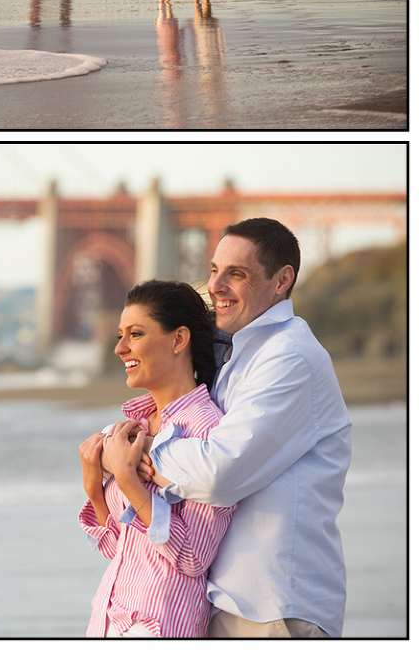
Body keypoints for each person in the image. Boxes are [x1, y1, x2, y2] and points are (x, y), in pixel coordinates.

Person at [138, 218, 351, 637]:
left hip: (277, 607)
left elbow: (220, 473)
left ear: (281, 280)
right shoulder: (232, 354)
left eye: (236, 274)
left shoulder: (290, 358)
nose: (215, 285)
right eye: (214, 270)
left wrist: (144, 450)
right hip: (226, 601)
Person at [78, 280, 234, 637]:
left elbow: (194, 556)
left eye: (135, 334)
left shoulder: (208, 432)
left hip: (160, 622)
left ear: (179, 340)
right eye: (120, 335)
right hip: (112, 620)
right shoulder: (133, 428)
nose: (119, 348)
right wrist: (93, 485)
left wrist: (128, 479)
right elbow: (118, 547)